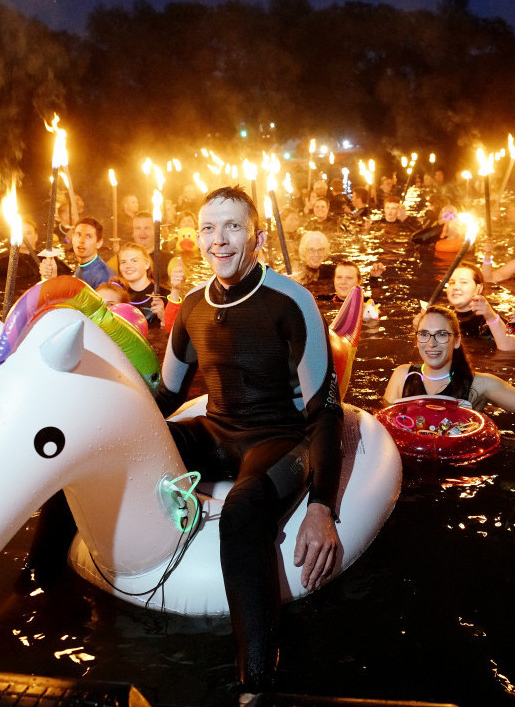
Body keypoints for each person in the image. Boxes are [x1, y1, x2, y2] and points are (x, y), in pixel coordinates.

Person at [155, 186, 342, 694]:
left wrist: (322, 507)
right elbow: (166, 396)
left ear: (257, 238)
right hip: (216, 431)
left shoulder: (291, 300)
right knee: (127, 449)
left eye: (232, 227)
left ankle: (256, 686)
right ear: (197, 238)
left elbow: (325, 409)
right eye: (208, 228)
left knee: (241, 510)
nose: (218, 240)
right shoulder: (192, 306)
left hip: (279, 439)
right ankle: (35, 586)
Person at [384, 306, 515, 412]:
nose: (431, 343)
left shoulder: (478, 384)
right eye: (424, 334)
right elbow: (385, 423)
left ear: (456, 341)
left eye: (442, 334)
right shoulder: (402, 376)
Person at [38, 217, 109, 288]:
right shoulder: (82, 267)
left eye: (88, 236)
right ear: (72, 238)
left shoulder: (103, 275)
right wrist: (52, 278)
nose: (82, 241)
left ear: (99, 243)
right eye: (78, 234)